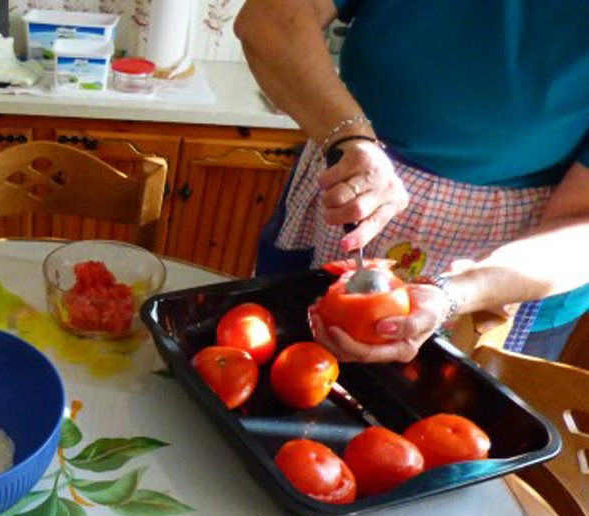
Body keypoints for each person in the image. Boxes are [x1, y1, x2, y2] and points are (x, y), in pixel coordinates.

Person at [233, 0, 589, 363]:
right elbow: (269, 21)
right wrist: (350, 139)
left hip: (516, 272)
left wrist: (453, 293)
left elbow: (582, 222)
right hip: (342, 188)